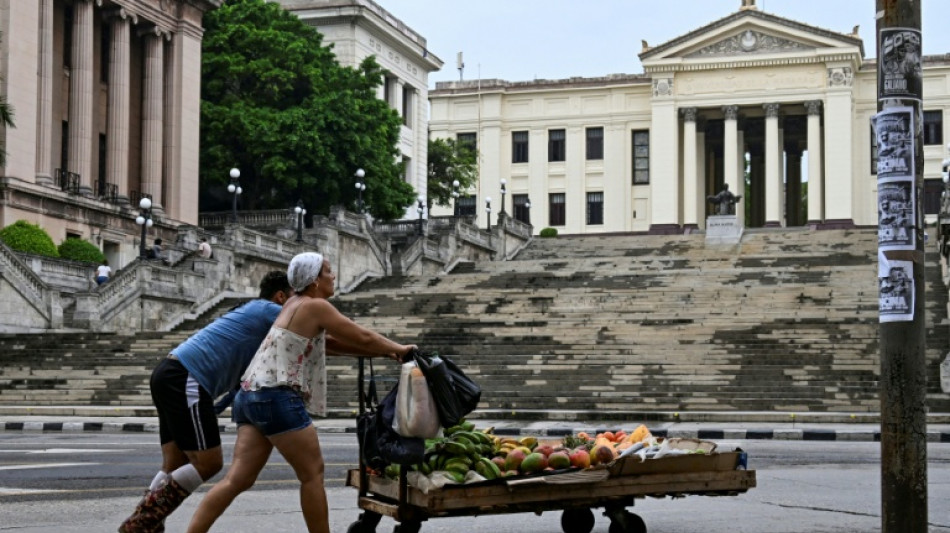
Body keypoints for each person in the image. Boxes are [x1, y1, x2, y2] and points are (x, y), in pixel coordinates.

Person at [186, 252, 416, 533]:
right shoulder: (315, 306)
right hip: (276, 396)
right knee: (312, 475)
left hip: (249, 396)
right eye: (328, 272)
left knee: (237, 480)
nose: (333, 276)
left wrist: (387, 352)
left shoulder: (293, 305)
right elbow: (361, 335)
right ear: (314, 281)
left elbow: (332, 345)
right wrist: (400, 348)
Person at [117, 271, 294, 533]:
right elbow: (305, 335)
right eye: (293, 298)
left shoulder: (252, 316)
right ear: (281, 296)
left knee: (174, 464)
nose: (297, 306)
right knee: (209, 462)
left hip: (170, 372)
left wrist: (213, 409)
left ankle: (148, 524)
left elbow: (236, 385)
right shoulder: (270, 310)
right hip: (186, 377)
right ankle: (139, 523)